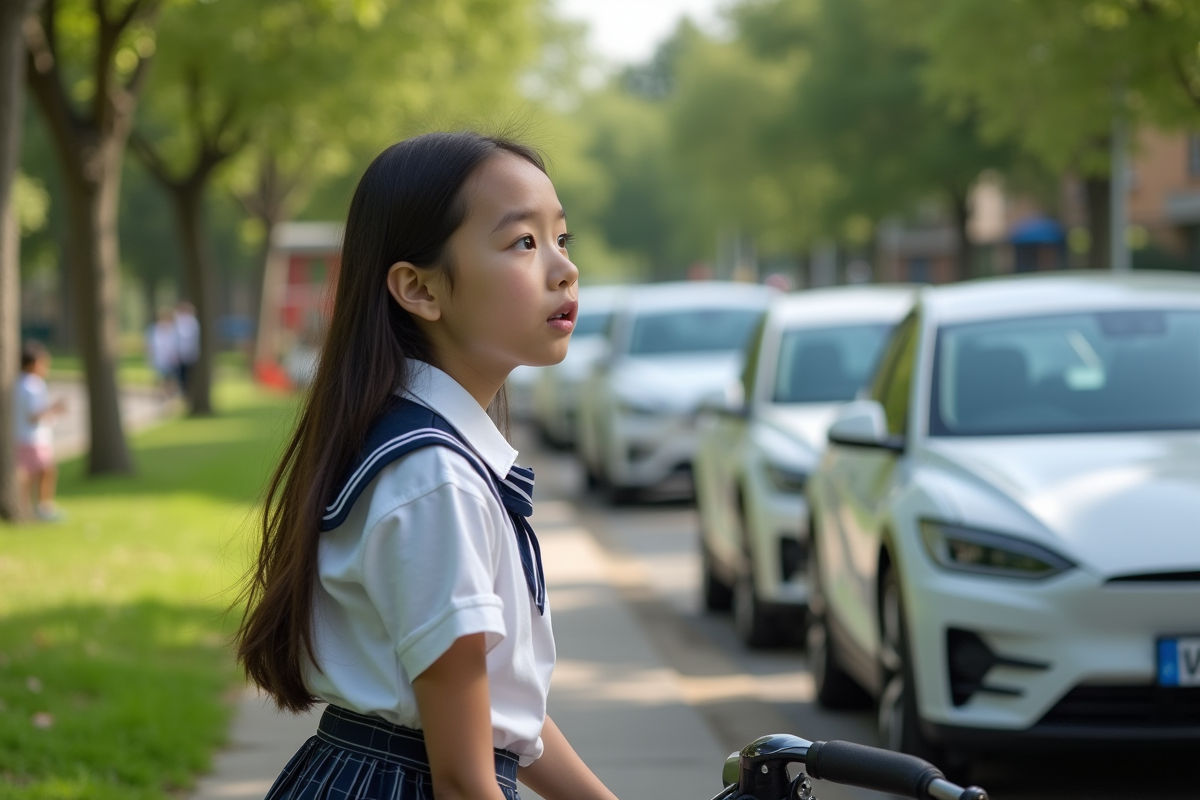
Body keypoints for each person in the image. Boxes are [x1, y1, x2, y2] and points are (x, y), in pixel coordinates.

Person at [235, 132, 618, 800]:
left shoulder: (435, 454)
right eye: (524, 243)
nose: (563, 269)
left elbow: (503, 715)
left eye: (562, 238)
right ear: (419, 289)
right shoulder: (434, 479)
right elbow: (466, 778)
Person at [14, 341, 65, 521]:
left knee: (29, 474)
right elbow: (34, 415)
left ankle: (26, 507)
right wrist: (55, 409)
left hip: (20, 436)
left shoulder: (18, 383)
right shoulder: (34, 385)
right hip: (34, 438)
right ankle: (43, 507)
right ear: (35, 363)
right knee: (46, 471)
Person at [145, 308, 180, 399]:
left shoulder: (172, 329)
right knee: (158, 376)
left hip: (169, 357)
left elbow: (175, 344)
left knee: (169, 377)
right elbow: (149, 343)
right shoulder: (153, 329)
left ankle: (169, 393)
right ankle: (159, 393)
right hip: (158, 357)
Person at [174, 301, 200, 395]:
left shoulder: (191, 321)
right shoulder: (179, 320)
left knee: (187, 374)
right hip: (180, 353)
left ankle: (187, 391)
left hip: (188, 352)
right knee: (181, 373)